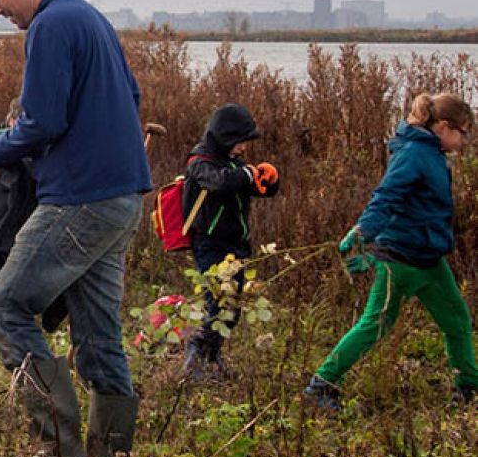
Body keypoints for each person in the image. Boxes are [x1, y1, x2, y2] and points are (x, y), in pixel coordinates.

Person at [0, 0, 152, 457]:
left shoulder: (51, 25)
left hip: (81, 200)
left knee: (2, 308)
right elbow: (133, 95)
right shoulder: (90, 18)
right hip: (121, 198)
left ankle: (59, 454)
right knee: (99, 336)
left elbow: (43, 120)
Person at [304, 93, 478, 412]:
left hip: (429, 260)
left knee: (457, 320)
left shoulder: (432, 153)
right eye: (463, 132)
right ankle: (321, 385)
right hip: (400, 259)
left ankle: (467, 390)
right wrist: (360, 234)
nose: (465, 140)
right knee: (376, 324)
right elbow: (386, 197)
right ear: (443, 126)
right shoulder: (413, 154)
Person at [180, 103, 280, 381]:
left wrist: (268, 181)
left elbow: (249, 186)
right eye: (240, 143)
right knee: (218, 303)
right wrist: (246, 173)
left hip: (237, 245)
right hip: (210, 245)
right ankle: (196, 357)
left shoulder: (233, 164)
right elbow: (218, 183)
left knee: (231, 308)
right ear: (224, 137)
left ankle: (212, 354)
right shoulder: (199, 162)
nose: (243, 149)